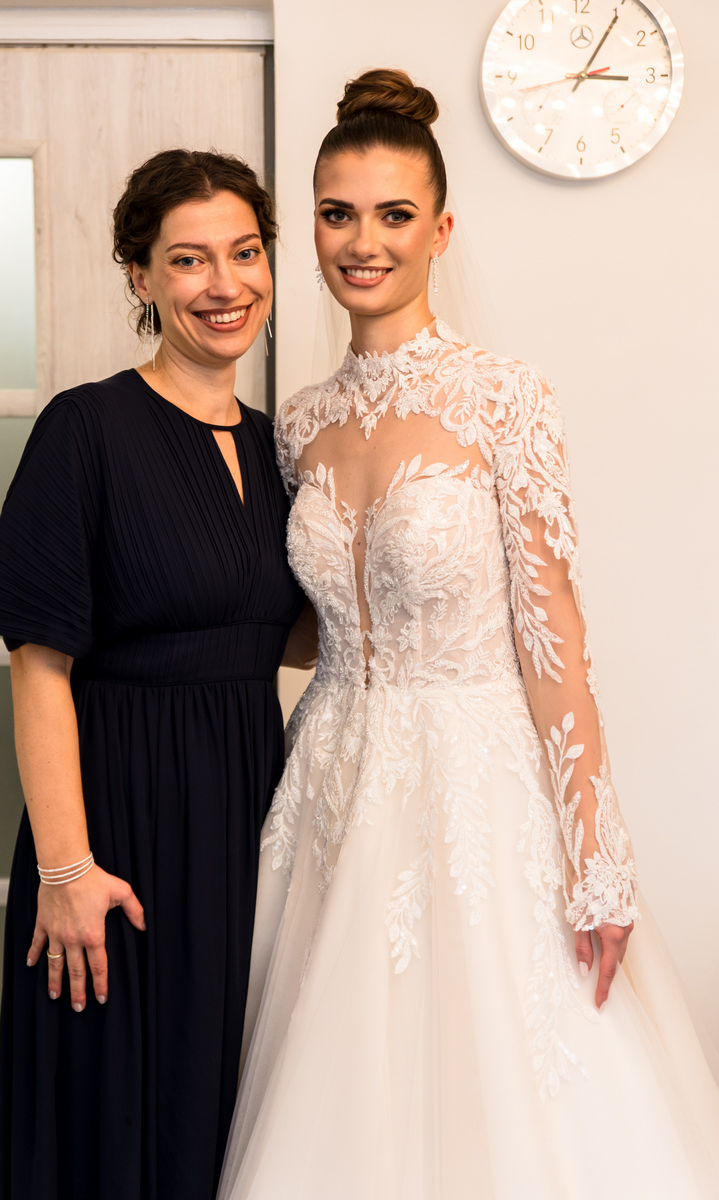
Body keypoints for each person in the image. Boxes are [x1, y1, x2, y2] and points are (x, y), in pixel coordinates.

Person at [217, 71, 719, 1199]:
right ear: (311, 230)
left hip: (473, 784)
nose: (364, 242)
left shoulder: (505, 400)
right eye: (338, 214)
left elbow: (554, 644)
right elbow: (312, 625)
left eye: (394, 215)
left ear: (440, 231)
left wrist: (595, 856)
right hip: (328, 781)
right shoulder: (298, 423)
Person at [0, 147, 306, 1200]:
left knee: (225, 1113)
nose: (224, 284)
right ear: (141, 277)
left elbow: (284, 637)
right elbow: (37, 666)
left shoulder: (280, 448)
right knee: (111, 1119)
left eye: (244, 252)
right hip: (118, 829)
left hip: (247, 820)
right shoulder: (87, 429)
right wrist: (67, 870)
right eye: (189, 259)